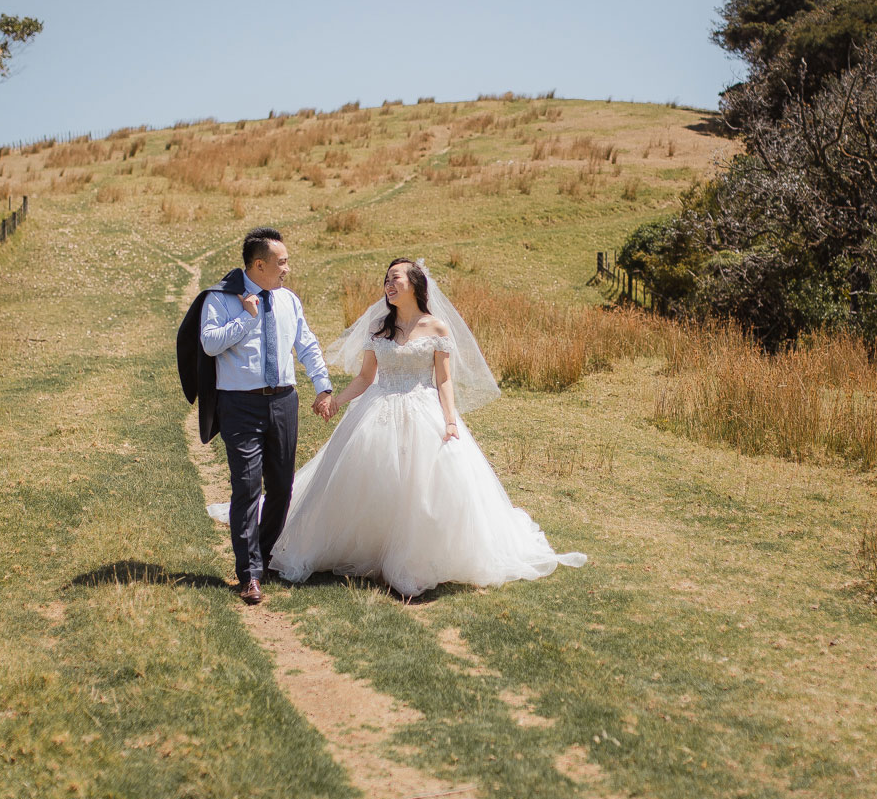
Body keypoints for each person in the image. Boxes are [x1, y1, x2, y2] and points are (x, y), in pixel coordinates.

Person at [261, 257, 586, 599]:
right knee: (376, 479)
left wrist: (449, 420)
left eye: (396, 278)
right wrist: (336, 401)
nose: (388, 283)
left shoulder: (436, 328)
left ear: (414, 284)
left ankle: (416, 556)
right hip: (378, 410)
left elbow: (444, 381)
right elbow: (364, 377)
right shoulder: (378, 327)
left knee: (421, 487)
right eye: (386, 278)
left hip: (423, 410)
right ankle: (368, 549)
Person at [197, 227, 335, 604]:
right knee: (246, 486)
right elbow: (209, 343)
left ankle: (264, 555)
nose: (287, 268)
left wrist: (322, 385)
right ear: (259, 264)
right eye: (282, 262)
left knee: (282, 486)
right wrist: (245, 318)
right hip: (239, 404)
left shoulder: (289, 300)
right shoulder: (222, 299)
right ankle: (249, 574)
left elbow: (305, 344)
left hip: (283, 403)